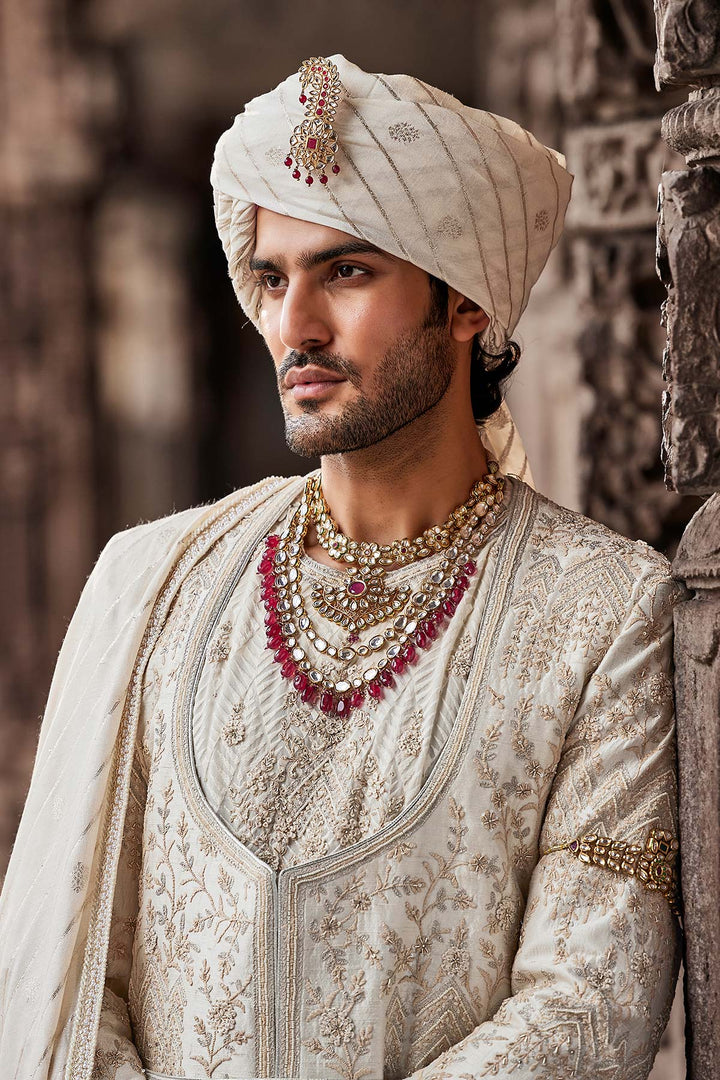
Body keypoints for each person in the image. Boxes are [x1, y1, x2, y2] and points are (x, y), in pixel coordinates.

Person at [0, 55, 682, 1080]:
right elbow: (74, 962)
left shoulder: (603, 611)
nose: (295, 326)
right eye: (272, 279)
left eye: (348, 271)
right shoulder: (153, 586)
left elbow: (588, 1007)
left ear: (467, 307)